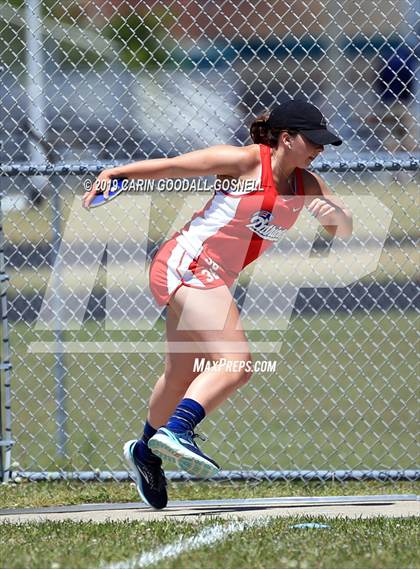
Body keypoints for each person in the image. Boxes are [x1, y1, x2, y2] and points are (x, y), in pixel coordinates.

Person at [83, 99, 353, 510]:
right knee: (236, 362)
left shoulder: (307, 184)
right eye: (313, 141)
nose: (320, 149)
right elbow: (175, 167)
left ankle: (146, 453)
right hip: (187, 264)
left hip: (213, 277)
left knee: (181, 375)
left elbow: (342, 228)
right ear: (286, 138)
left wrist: (333, 212)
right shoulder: (243, 163)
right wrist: (117, 174)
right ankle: (178, 430)